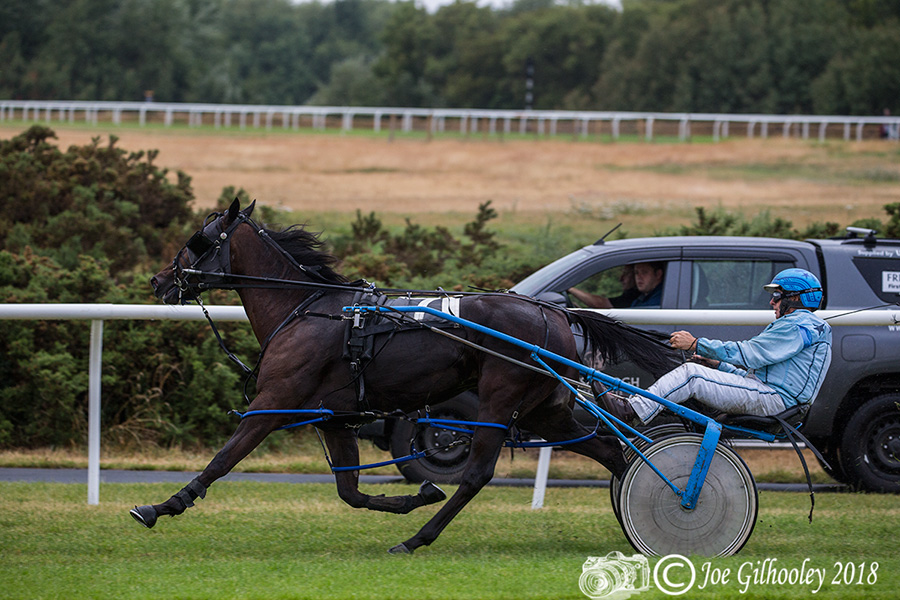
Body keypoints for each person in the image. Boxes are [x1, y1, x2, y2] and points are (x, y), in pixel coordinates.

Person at [601, 268, 833, 425]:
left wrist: (696, 344)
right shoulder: (802, 325)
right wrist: (717, 364)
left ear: (795, 298)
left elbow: (750, 355)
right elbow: (755, 377)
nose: (772, 302)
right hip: (774, 396)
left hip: (776, 401)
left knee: (691, 376)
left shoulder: (798, 325)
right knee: (697, 373)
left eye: (778, 295)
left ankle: (630, 412)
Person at [568, 265, 638, 308]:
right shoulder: (638, 297)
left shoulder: (634, 296)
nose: (621, 279)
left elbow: (601, 304)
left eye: (626, 274)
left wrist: (570, 289)